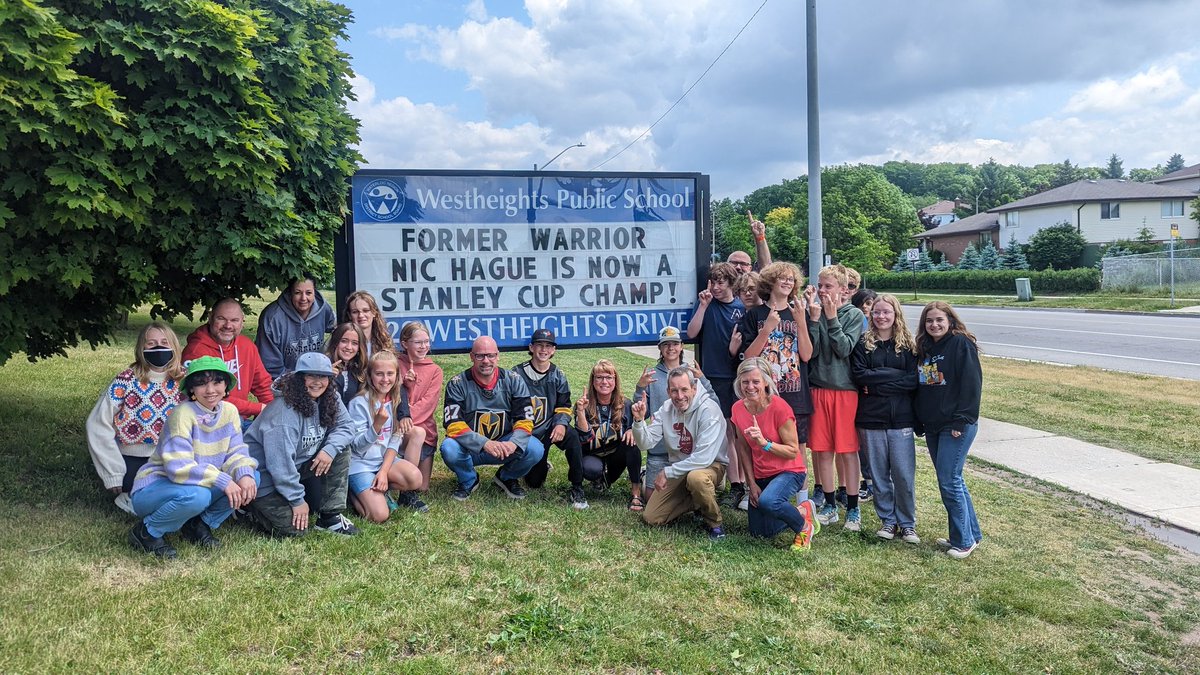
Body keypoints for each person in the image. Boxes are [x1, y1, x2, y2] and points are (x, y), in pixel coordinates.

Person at [127, 357, 258, 558]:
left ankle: (198, 525)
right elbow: (178, 467)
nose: (210, 390)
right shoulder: (182, 414)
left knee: (251, 478)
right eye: (202, 384)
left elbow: (236, 451)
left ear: (226, 385)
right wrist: (223, 480)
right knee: (198, 496)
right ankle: (147, 532)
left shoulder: (230, 411)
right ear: (191, 389)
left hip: (198, 482)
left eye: (217, 382)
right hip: (156, 488)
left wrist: (244, 474)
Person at [243, 352, 359, 537]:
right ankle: (248, 507)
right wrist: (297, 501)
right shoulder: (284, 413)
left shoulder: (329, 396)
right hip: (263, 477)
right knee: (297, 531)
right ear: (299, 378)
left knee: (340, 448)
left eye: (322, 376)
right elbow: (279, 465)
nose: (317, 382)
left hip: (297, 466)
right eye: (310, 375)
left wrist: (328, 451)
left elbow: (347, 426)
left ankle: (330, 518)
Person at [87, 322, 185, 515]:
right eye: (151, 343)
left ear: (174, 346)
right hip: (132, 459)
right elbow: (97, 423)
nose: (158, 347)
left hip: (173, 456)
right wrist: (113, 472)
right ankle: (133, 496)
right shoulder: (126, 380)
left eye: (165, 342)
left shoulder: (184, 381)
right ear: (141, 348)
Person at [915, 301, 984, 559]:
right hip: (933, 425)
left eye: (939, 320)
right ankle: (970, 534)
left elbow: (971, 384)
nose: (934, 324)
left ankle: (963, 542)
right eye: (929, 321)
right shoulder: (925, 348)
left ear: (950, 321)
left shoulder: (960, 344)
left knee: (949, 481)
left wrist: (961, 420)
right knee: (954, 480)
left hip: (956, 425)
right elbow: (922, 387)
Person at [440, 336, 545, 501]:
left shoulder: (514, 380)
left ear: (498, 356)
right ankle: (469, 480)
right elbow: (453, 424)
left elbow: (525, 419)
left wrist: (513, 443)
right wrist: (484, 443)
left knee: (535, 448)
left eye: (491, 355)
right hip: (471, 448)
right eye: (480, 355)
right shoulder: (457, 383)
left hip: (504, 445)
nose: (486, 361)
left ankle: (506, 477)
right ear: (471, 356)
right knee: (449, 448)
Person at [851, 294, 919, 544]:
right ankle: (888, 521)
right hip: (871, 419)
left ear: (895, 314)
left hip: (901, 419)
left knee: (902, 475)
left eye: (886, 312)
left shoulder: (909, 346)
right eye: (876, 312)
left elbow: (913, 380)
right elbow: (860, 376)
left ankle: (908, 524)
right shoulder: (863, 344)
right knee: (879, 475)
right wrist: (895, 378)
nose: (881, 316)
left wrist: (879, 379)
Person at [731, 358, 819, 552]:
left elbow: (792, 450)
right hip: (762, 475)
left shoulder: (780, 407)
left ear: (766, 381)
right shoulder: (737, 409)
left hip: (790, 471)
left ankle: (804, 527)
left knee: (769, 502)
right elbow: (743, 448)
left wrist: (765, 444)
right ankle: (801, 511)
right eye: (745, 382)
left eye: (755, 381)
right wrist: (751, 484)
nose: (750, 386)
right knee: (760, 533)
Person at [632, 367, 729, 539]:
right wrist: (639, 421)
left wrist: (667, 472)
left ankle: (715, 524)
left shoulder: (709, 410)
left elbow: (703, 457)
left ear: (694, 388)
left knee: (697, 478)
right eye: (674, 390)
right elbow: (645, 443)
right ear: (668, 391)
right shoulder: (666, 409)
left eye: (684, 389)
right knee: (651, 517)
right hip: (680, 467)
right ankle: (698, 500)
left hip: (710, 465)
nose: (679, 396)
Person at [807, 264, 865, 530]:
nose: (822, 290)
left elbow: (844, 349)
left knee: (848, 450)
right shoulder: (816, 312)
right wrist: (813, 318)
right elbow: (814, 352)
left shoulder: (852, 314)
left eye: (827, 286)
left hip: (844, 391)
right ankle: (829, 504)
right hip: (818, 387)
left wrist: (831, 318)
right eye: (820, 285)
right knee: (822, 450)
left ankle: (852, 507)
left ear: (843, 290)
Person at [685, 261, 747, 509]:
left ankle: (743, 483)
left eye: (721, 282)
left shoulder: (741, 309)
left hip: (736, 377)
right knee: (724, 433)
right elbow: (691, 333)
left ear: (731, 283)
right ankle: (735, 485)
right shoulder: (706, 306)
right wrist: (702, 306)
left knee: (739, 432)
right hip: (711, 376)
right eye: (713, 282)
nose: (716, 287)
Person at [633, 326, 713, 503]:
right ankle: (648, 476)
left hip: (687, 450)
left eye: (675, 343)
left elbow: (712, 403)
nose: (671, 348)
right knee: (651, 500)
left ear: (682, 346)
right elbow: (639, 409)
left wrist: (704, 381)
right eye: (666, 344)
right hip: (660, 450)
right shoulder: (652, 376)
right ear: (660, 348)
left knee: (691, 492)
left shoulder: (691, 374)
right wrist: (640, 388)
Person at [512, 329, 588, 510]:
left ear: (553, 350)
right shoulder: (516, 373)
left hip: (550, 429)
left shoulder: (558, 375)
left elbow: (563, 404)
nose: (543, 350)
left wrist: (561, 423)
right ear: (531, 347)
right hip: (527, 433)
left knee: (572, 437)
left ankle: (577, 486)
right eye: (539, 345)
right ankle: (537, 464)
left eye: (548, 346)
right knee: (534, 483)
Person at [346, 351, 425, 522]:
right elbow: (357, 447)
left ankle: (380, 488)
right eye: (379, 374)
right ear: (370, 376)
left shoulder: (396, 401)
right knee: (379, 515)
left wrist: (383, 472)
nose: (385, 379)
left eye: (390, 374)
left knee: (415, 478)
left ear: (397, 377)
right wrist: (377, 426)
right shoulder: (359, 403)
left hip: (382, 461)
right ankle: (352, 494)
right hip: (360, 464)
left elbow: (395, 440)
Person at [182, 299, 275, 426]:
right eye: (221, 318)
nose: (228, 325)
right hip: (208, 420)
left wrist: (274, 410)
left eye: (234, 320)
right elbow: (209, 398)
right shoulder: (196, 351)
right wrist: (259, 408)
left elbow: (263, 385)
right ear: (210, 318)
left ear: (242, 321)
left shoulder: (246, 346)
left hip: (239, 419)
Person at [575, 359, 643, 511]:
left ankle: (636, 494)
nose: (604, 382)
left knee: (632, 443)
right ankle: (598, 478)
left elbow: (637, 428)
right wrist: (580, 412)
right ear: (593, 381)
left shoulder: (625, 404)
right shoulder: (584, 404)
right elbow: (585, 436)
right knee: (592, 469)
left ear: (615, 381)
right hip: (592, 454)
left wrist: (633, 429)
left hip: (615, 456)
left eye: (609, 377)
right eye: (599, 377)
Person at [256, 274, 336, 378]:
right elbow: (270, 365)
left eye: (308, 293)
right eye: (298, 293)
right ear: (290, 293)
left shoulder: (324, 309)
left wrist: (327, 362)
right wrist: (294, 383)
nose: (303, 298)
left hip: (316, 377)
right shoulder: (272, 317)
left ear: (314, 293)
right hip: (282, 381)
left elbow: (338, 330)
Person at [396, 321, 443, 496]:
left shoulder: (435, 370)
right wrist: (404, 384)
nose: (423, 346)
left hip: (424, 428)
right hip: (399, 426)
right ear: (404, 344)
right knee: (416, 433)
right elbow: (390, 396)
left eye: (426, 341)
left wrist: (409, 415)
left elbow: (427, 405)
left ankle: (404, 480)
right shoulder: (395, 364)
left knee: (421, 486)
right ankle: (406, 494)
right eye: (418, 342)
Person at [848, 287, 879, 500]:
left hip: (875, 394)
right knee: (860, 441)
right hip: (856, 388)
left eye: (872, 304)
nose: (868, 308)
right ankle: (867, 481)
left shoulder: (882, 330)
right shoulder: (856, 324)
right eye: (865, 303)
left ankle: (876, 482)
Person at [326, 323, 369, 405]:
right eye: (344, 341)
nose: (349, 347)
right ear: (335, 342)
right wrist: (324, 377)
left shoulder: (359, 370)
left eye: (354, 343)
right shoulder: (324, 365)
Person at [344, 290, 393, 356]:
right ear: (349, 315)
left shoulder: (384, 341)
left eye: (366, 311)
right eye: (355, 312)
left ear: (374, 312)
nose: (361, 315)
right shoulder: (341, 341)